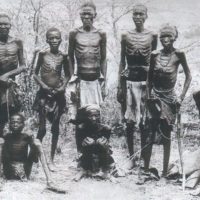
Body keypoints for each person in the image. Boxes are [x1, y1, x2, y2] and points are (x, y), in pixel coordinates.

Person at [145, 24, 192, 176]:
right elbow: (149, 78)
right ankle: (146, 169)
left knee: (166, 134)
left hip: (170, 99)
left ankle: (165, 170)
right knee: (150, 132)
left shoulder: (179, 54)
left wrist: (181, 97)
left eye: (169, 36)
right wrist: (148, 95)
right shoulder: (154, 55)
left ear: (174, 38)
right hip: (155, 98)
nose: (165, 39)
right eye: (163, 37)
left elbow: (188, 76)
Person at [117, 4, 157, 168]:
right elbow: (122, 61)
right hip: (129, 80)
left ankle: (143, 157)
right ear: (132, 16)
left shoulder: (152, 35)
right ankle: (131, 157)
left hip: (145, 82)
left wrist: (152, 85)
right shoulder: (126, 35)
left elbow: (153, 61)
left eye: (141, 14)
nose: (138, 17)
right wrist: (120, 86)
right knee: (129, 121)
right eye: (135, 14)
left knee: (144, 122)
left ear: (146, 16)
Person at [68, 1, 107, 152]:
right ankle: (81, 154)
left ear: (94, 16)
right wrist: (72, 81)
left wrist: (104, 82)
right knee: (80, 119)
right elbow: (70, 57)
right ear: (80, 16)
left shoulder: (101, 34)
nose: (86, 17)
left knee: (96, 116)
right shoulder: (74, 33)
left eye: (89, 14)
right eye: (83, 14)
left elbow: (103, 58)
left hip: (96, 80)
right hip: (81, 81)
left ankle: (96, 152)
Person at [33, 27, 71, 168]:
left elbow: (68, 74)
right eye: (51, 38)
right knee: (42, 129)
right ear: (47, 40)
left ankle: (51, 160)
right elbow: (35, 73)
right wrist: (43, 85)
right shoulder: (43, 55)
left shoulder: (64, 56)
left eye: (57, 38)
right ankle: (35, 156)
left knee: (55, 128)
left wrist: (62, 87)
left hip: (57, 95)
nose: (54, 40)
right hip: (44, 95)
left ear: (61, 39)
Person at [0, 113, 66, 193]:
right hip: (9, 170)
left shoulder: (26, 137)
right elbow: (4, 157)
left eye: (18, 122)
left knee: (37, 142)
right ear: (9, 124)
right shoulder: (7, 137)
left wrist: (32, 139)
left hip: (25, 169)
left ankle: (50, 182)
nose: (15, 124)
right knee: (1, 142)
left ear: (23, 124)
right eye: (13, 122)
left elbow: (35, 158)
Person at [70, 104, 115, 180]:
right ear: (86, 116)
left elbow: (108, 149)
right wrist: (83, 144)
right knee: (88, 143)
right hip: (87, 158)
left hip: (102, 157)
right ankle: (84, 169)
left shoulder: (106, 129)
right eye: (91, 116)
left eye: (96, 116)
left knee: (101, 143)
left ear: (99, 116)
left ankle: (104, 170)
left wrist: (105, 145)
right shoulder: (81, 129)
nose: (94, 118)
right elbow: (79, 150)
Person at [0, 14, 26, 137]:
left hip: (11, 84)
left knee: (13, 116)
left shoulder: (17, 42)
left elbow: (23, 66)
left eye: (6, 24)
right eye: (0, 24)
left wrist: (7, 75)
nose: (3, 26)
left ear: (10, 26)